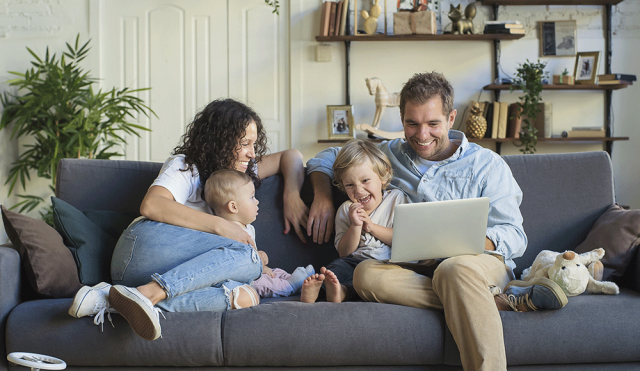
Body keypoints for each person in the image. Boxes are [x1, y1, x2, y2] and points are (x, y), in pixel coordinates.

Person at [305, 72, 568, 370]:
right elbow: (326, 158)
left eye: (433, 124)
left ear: (451, 118)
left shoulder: (487, 164)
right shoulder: (389, 155)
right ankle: (490, 301)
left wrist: (459, 242)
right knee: (366, 274)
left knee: (453, 268)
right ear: (402, 119)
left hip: (475, 264)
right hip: (414, 268)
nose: (422, 135)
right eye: (411, 123)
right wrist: (323, 197)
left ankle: (480, 307)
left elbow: (514, 236)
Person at [67, 98, 309, 341]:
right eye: (245, 143)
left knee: (246, 294)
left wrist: (292, 195)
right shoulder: (186, 167)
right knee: (249, 256)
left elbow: (291, 156)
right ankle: (151, 293)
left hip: (154, 275)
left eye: (254, 144)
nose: (252, 153)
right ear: (221, 142)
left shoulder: (239, 174)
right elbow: (152, 205)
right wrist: (223, 227)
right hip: (139, 250)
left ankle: (113, 299)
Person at [300, 139, 409, 303]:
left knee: (372, 279)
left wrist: (371, 227)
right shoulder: (346, 209)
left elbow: (402, 240)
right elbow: (344, 251)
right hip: (354, 261)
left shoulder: (396, 199)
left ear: (383, 176)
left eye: (365, 181)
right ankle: (320, 292)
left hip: (387, 264)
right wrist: (355, 226)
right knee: (335, 269)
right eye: (350, 184)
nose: (359, 190)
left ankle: (343, 292)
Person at [204, 168, 315, 298]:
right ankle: (289, 286)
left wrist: (261, 262)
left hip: (256, 271)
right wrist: (259, 260)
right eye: (252, 197)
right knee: (263, 283)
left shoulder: (248, 227)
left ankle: (297, 280)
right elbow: (238, 265)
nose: (257, 201)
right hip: (243, 280)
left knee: (276, 272)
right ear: (233, 207)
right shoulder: (227, 233)